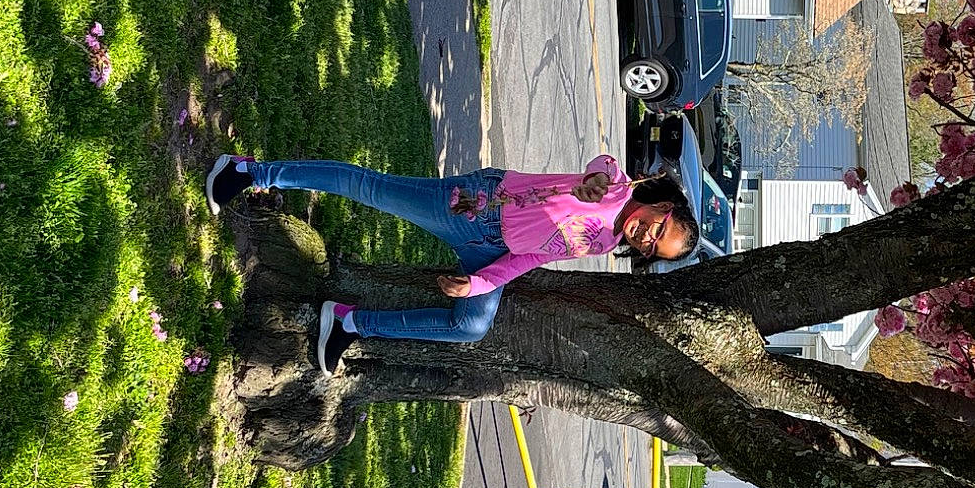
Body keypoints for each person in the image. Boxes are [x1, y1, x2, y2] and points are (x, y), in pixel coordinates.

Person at [206, 152, 698, 373]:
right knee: (369, 188)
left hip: (488, 250)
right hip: (473, 206)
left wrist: (480, 283)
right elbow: (600, 167)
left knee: (471, 326)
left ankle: (349, 322)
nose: (647, 237)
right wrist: (586, 186)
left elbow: (527, 259)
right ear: (662, 206)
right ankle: (249, 171)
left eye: (653, 248)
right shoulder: (615, 187)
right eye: (658, 229)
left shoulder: (601, 242)